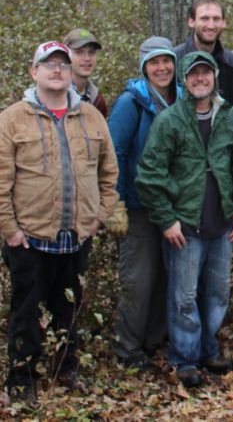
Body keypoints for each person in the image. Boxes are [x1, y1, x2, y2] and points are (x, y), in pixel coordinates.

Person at [0, 42, 119, 404]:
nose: (56, 70)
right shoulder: (12, 118)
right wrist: (10, 230)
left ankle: (65, 371)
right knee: (26, 311)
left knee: (68, 309)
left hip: (76, 237)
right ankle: (21, 380)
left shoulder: (90, 117)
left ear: (71, 73)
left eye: (62, 65)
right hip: (30, 239)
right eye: (48, 64)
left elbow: (109, 174)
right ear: (33, 72)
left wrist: (98, 218)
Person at [136, 51, 233, 388]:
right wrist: (166, 219)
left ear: (214, 76)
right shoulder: (170, 121)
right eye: (193, 75)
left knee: (216, 293)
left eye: (206, 73)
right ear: (184, 80)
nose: (200, 79)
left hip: (221, 224)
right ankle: (184, 359)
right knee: (183, 296)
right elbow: (149, 175)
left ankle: (207, 349)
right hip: (184, 224)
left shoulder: (229, 116)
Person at [110, 37, 177, 370]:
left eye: (167, 61)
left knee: (165, 276)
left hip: (171, 205)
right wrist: (116, 201)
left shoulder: (179, 99)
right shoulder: (131, 102)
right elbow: (115, 152)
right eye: (154, 63)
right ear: (144, 67)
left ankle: (153, 341)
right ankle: (127, 349)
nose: (162, 68)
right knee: (138, 278)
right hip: (137, 207)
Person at [174, 0, 233, 110]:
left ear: (223, 23)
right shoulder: (175, 60)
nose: (211, 25)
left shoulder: (230, 62)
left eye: (216, 19)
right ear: (191, 22)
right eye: (204, 18)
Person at [63, 28, 108, 117]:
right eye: (79, 52)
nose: (87, 58)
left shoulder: (98, 100)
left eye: (91, 52)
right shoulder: (54, 95)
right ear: (66, 56)